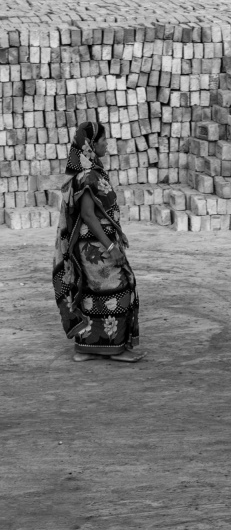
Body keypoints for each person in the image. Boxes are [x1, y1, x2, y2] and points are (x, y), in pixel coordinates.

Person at [52, 121, 144, 363]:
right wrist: (111, 247)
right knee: (122, 286)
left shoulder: (91, 170)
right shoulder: (88, 174)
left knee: (95, 293)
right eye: (104, 141)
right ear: (91, 144)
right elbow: (89, 216)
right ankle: (115, 348)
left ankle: (88, 347)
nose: (107, 145)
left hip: (96, 243)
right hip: (95, 245)